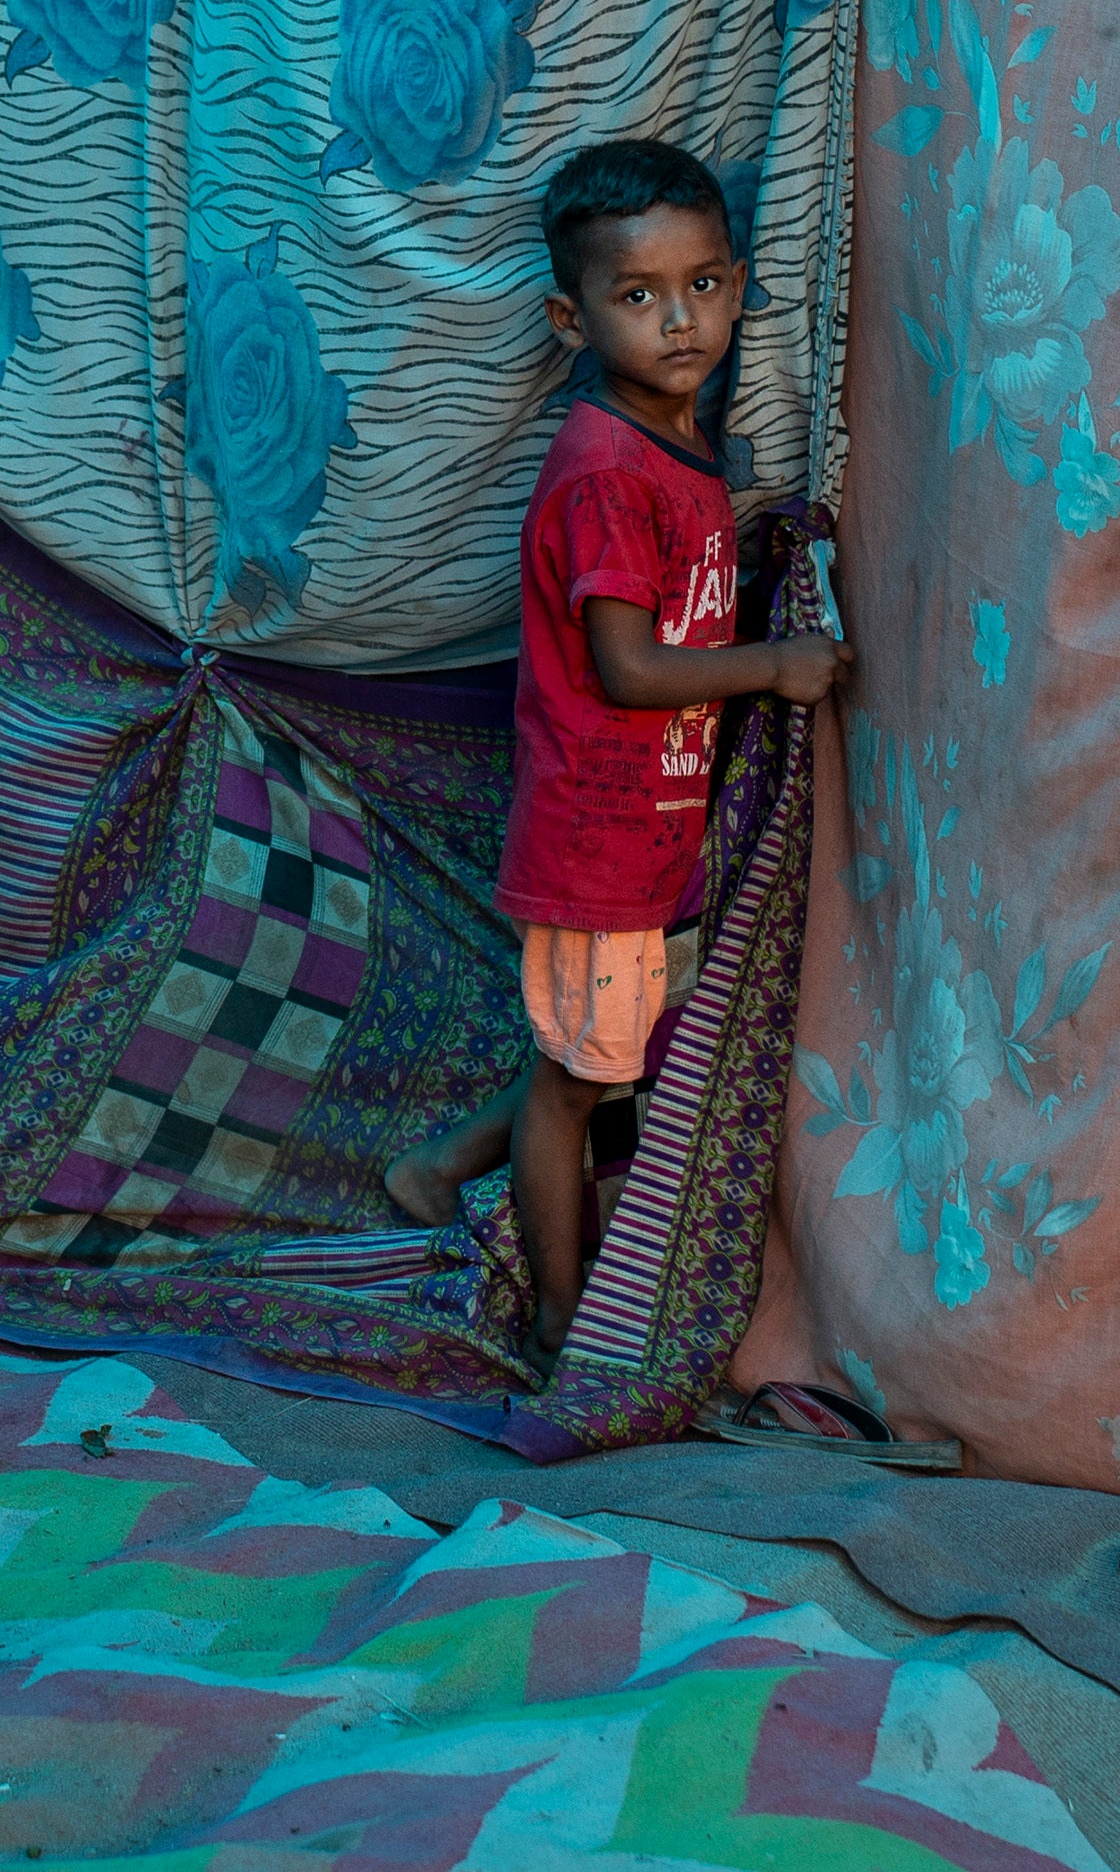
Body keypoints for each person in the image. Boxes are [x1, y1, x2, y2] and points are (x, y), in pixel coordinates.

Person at [392, 137, 846, 1364]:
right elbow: (627, 668)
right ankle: (553, 1312)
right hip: (596, 839)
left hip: (652, 826)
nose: (678, 319)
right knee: (574, 1081)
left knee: (600, 1052)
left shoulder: (672, 442)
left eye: (700, 284)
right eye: (636, 296)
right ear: (570, 314)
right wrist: (773, 665)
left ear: (741, 284)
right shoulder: (602, 470)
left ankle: (435, 1167)